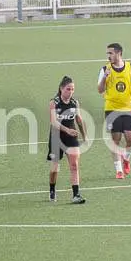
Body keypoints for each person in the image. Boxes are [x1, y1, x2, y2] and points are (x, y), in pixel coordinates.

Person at [97, 43, 131, 179]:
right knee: (115, 139)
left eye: (110, 53)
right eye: (108, 54)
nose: (108, 56)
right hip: (111, 108)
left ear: (119, 53)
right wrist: (105, 77)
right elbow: (100, 90)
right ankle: (119, 170)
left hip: (127, 108)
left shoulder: (130, 68)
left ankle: (126, 157)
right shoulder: (104, 69)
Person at [47, 76, 87, 204]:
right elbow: (53, 122)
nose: (70, 92)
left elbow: (79, 120)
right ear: (61, 89)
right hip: (56, 137)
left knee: (74, 165)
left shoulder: (75, 103)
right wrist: (67, 130)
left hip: (71, 137)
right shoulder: (54, 102)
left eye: (72, 89)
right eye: (68, 89)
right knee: (54, 169)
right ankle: (52, 189)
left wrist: (84, 135)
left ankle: (76, 194)